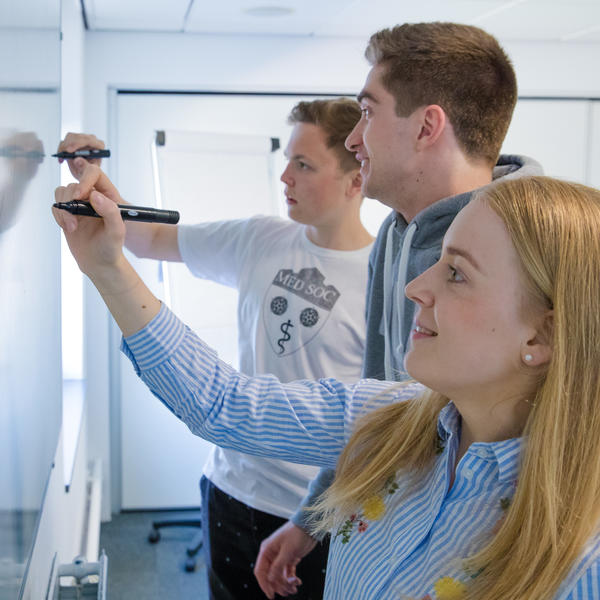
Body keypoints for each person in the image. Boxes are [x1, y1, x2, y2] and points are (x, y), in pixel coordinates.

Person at [54, 173, 600, 599]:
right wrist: (108, 269)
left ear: (545, 332)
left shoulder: (582, 553)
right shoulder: (391, 419)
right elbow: (224, 405)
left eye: (455, 273)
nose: (415, 287)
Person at [255, 22, 543, 597]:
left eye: (368, 112)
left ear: (427, 126)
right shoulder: (394, 232)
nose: (354, 138)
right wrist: (312, 517)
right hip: (389, 527)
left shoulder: (530, 246)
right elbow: (381, 406)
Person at [57, 98, 373, 600]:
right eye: (288, 159)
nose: (285, 176)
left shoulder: (383, 280)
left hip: (313, 513)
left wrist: (313, 517)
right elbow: (149, 238)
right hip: (229, 486)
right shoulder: (261, 237)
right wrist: (93, 177)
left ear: (356, 180)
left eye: (304, 165)